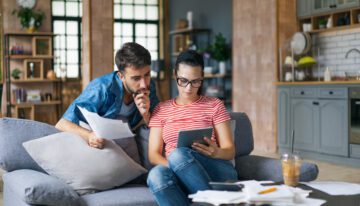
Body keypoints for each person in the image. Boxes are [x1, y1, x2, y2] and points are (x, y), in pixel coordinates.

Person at [147, 50, 238, 205]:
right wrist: (177, 167)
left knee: (177, 155)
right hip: (176, 169)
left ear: (202, 77)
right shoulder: (161, 109)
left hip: (215, 169)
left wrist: (216, 152)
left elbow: (230, 150)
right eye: (183, 80)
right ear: (175, 74)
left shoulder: (215, 105)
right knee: (156, 175)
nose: (189, 88)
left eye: (195, 81)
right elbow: (153, 155)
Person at [56, 42, 159, 149]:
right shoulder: (101, 88)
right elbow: (62, 124)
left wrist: (146, 115)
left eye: (147, 75)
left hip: (126, 135)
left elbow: (158, 124)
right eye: (136, 78)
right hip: (95, 137)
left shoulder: (149, 85)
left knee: (151, 133)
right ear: (121, 76)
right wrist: (89, 136)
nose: (143, 84)